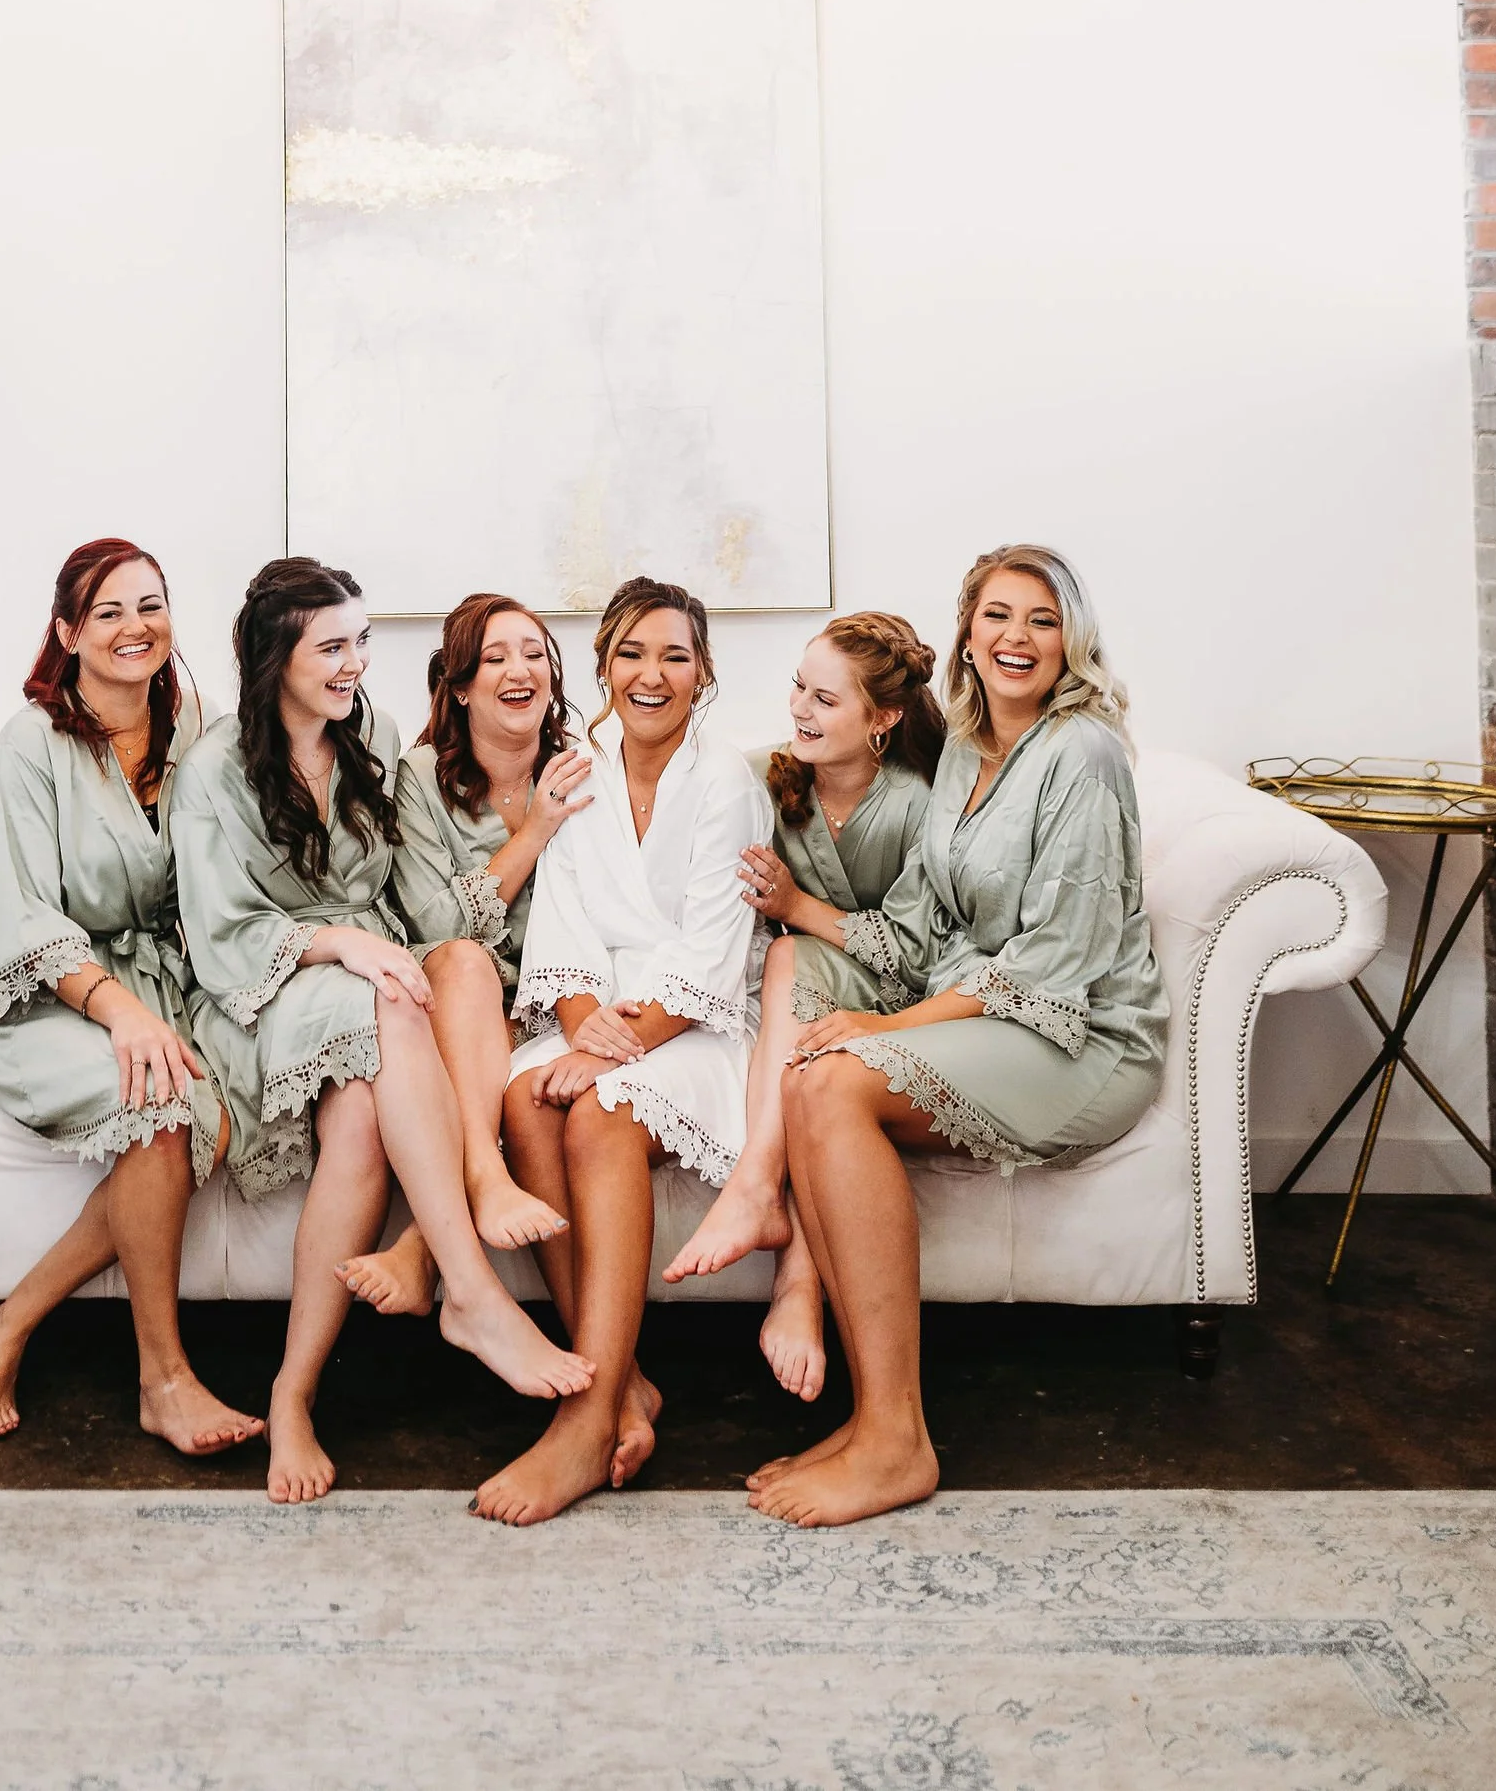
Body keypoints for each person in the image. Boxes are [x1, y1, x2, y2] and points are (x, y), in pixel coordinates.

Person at [750, 543, 1168, 1529]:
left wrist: (885, 1025)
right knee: (815, 1069)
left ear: (1072, 637)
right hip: (986, 1013)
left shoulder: (1083, 751)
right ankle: (869, 1422)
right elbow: (918, 926)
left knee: (835, 1078)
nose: (1014, 637)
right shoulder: (964, 748)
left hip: (1081, 1037)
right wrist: (806, 929)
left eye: (1039, 618)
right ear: (967, 631)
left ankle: (896, 1439)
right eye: (995, 615)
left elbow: (1050, 967)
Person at [172, 556, 593, 1504]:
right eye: (331, 647)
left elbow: (412, 913)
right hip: (267, 988)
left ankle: (291, 1394)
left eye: (361, 642)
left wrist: (378, 951)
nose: (354, 664)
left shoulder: (373, 734)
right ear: (273, 657)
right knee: (400, 991)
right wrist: (339, 945)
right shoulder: (213, 773)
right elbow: (221, 934)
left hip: (382, 975)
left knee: (367, 1113)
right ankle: (475, 1295)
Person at [472, 575, 771, 1525]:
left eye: (674, 656)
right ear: (602, 667)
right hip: (591, 1008)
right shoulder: (577, 768)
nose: (651, 675)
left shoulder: (727, 783)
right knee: (524, 1101)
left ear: (703, 672)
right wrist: (582, 1021)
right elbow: (560, 918)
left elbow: (716, 948)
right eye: (631, 655)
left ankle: (585, 1418)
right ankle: (624, 1380)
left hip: (698, 1019)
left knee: (597, 1111)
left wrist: (616, 1050)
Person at [0, 537, 264, 1456]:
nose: (137, 628)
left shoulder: (197, 727)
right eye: (109, 613)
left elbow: (226, 868)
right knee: (160, 1105)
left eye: (152, 605)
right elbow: (20, 915)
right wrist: (120, 1012)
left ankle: (10, 1319)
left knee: (213, 1116)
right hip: (46, 996)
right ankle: (163, 1379)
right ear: (68, 633)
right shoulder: (31, 745)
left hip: (155, 982)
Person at [663, 611, 940, 1406]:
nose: (799, 710)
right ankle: (793, 1279)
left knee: (793, 957)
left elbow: (920, 952)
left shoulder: (918, 806)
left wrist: (798, 905)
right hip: (793, 1000)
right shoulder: (768, 781)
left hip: (896, 1005)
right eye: (798, 687)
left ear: (883, 719)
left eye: (825, 700)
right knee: (788, 981)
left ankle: (770, 1221)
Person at [338, 592, 594, 1317]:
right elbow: (438, 919)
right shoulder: (417, 777)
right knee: (462, 961)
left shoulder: (584, 770)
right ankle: (484, 1171)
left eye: (535, 655)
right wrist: (537, 830)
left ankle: (422, 1246)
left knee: (506, 1001)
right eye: (495, 657)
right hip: (455, 1001)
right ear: (458, 686)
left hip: (556, 1002)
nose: (520, 671)